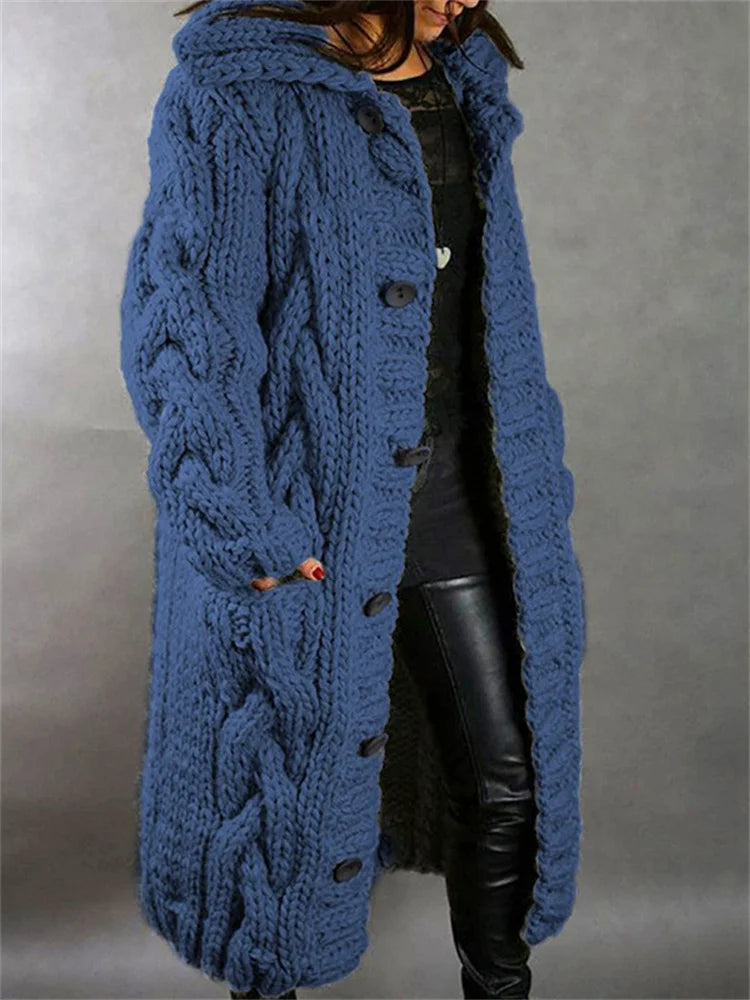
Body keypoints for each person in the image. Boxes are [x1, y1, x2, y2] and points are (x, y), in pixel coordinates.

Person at [119, 2, 587, 998]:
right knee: (279, 806)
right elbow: (187, 325)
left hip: (462, 491)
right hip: (306, 505)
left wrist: (534, 467)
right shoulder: (236, 87)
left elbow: (490, 304)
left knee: (508, 778)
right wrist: (242, 525)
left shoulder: (461, 79)